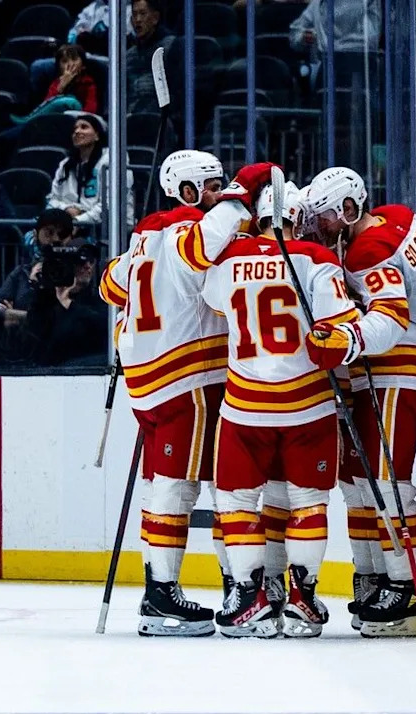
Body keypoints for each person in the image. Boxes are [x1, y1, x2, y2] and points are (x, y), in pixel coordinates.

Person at [98, 155, 274, 636]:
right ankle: (162, 595)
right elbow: (204, 244)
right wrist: (243, 190)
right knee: (181, 487)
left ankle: (216, 587)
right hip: (186, 379)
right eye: (211, 186)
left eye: (220, 185)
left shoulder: (142, 239)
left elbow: (108, 286)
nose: (218, 194)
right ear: (188, 191)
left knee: (189, 482)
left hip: (151, 380)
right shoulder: (184, 232)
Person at [200, 175, 359, 639]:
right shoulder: (318, 258)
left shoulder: (229, 259)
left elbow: (215, 303)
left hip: (245, 405)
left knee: (237, 504)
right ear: (297, 217)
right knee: (308, 504)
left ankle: (251, 600)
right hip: (308, 405)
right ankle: (302, 601)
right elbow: (340, 327)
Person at [298, 167, 416, 638]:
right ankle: (374, 577)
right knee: (360, 482)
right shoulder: (399, 217)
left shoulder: (367, 249)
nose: (320, 227)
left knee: (387, 483)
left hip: (401, 366)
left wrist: (346, 338)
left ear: (349, 209)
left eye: (326, 217)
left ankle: (403, 591)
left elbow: (390, 316)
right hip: (391, 367)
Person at [47, 113, 134, 228]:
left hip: (109, 227)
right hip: (68, 225)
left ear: (97, 135)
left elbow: (111, 204)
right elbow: (52, 199)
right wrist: (66, 209)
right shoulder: (65, 165)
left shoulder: (114, 159)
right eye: (75, 129)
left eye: (84, 127)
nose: (77, 132)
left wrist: (78, 221)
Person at [127, 0, 177, 115]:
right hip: (130, 121)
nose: (138, 20)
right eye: (134, 15)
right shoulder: (128, 56)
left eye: (143, 14)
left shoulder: (172, 47)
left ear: (155, 18)